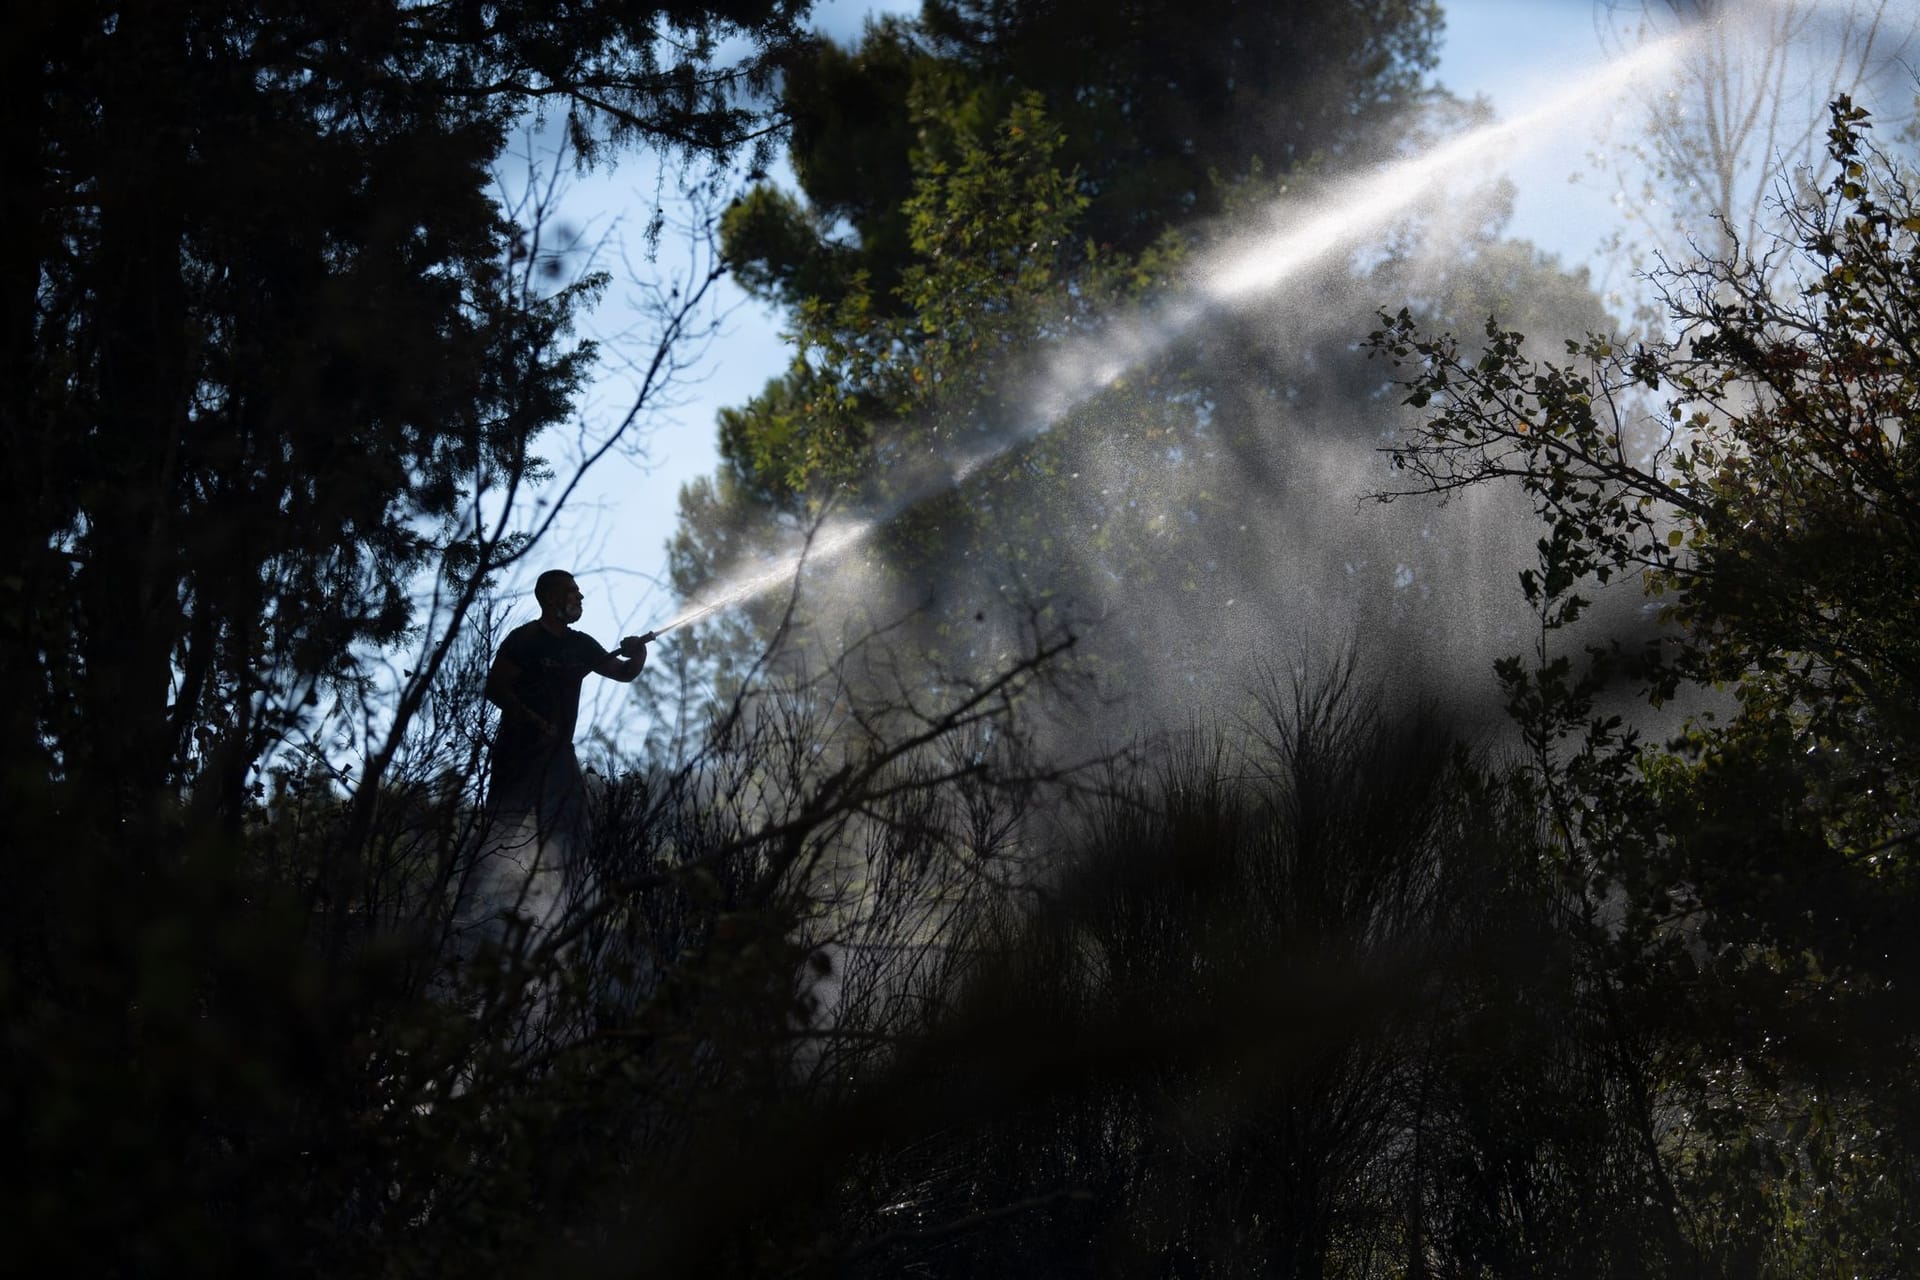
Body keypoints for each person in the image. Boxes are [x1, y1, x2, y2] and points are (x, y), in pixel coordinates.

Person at [483, 569, 650, 846]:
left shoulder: (580, 644)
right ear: (551, 598)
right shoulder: (525, 640)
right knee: (498, 836)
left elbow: (623, 672)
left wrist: (639, 651)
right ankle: (479, 887)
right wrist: (536, 723)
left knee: (571, 838)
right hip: (517, 753)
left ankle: (568, 887)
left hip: (559, 755)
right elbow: (495, 689)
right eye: (572, 591)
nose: (580, 596)